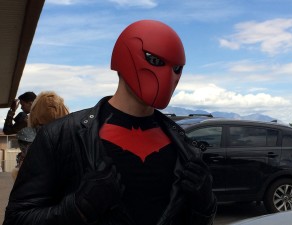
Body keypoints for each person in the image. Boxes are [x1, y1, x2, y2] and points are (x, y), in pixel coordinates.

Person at [3, 20, 217, 225]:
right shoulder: (60, 136)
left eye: (178, 68)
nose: (169, 76)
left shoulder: (182, 145)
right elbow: (17, 219)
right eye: (155, 60)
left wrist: (203, 203)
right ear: (123, 59)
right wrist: (77, 208)